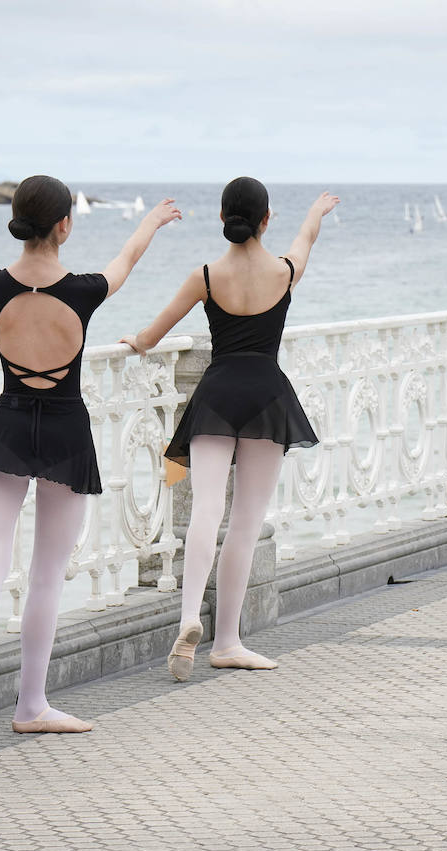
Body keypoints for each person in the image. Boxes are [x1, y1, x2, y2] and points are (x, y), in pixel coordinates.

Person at [0, 175, 180, 754]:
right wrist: (150, 223)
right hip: (64, 428)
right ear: (64, 225)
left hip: (9, 424)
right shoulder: (84, 289)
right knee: (47, 574)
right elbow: (126, 259)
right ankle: (31, 705)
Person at [121, 178, 337, 680]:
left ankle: (188, 618)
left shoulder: (205, 276)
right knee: (244, 522)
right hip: (266, 396)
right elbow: (306, 240)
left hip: (216, 395)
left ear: (223, 220)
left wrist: (135, 339)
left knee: (205, 511)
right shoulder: (285, 272)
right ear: (265, 220)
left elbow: (153, 336)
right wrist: (316, 213)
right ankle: (228, 641)